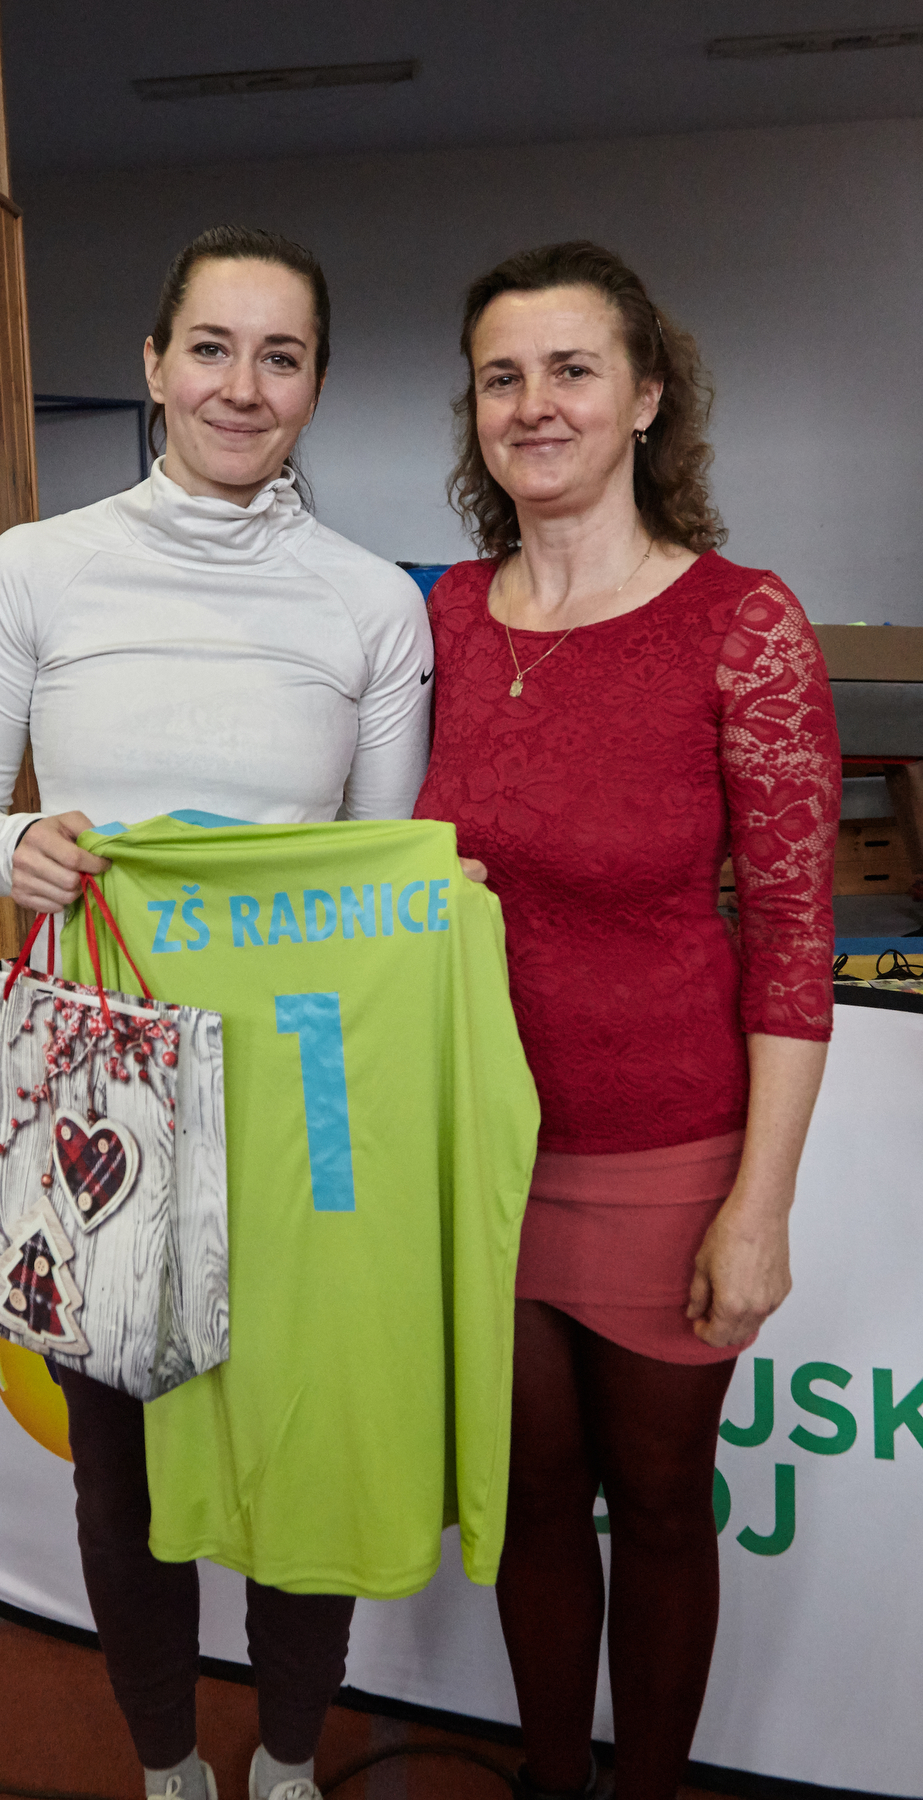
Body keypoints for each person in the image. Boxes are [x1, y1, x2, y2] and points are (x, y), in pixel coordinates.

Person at [0, 225, 433, 1800]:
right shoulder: (37, 566)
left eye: (282, 356)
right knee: (121, 1454)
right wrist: (15, 842)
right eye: (211, 347)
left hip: (310, 1077)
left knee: (305, 1432)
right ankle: (168, 1769)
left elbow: (382, 874)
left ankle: (287, 1760)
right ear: (154, 364)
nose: (241, 385)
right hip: (101, 1065)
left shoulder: (372, 604)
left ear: (317, 385)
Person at [413, 240, 840, 1800]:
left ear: (648, 398)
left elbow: (793, 944)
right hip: (477, 1150)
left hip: (664, 1152)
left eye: (572, 370)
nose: (535, 405)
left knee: (658, 1506)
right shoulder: (446, 619)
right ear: (475, 412)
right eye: (502, 377)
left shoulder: (743, 625)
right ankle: (551, 1777)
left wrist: (759, 1207)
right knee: (530, 1500)